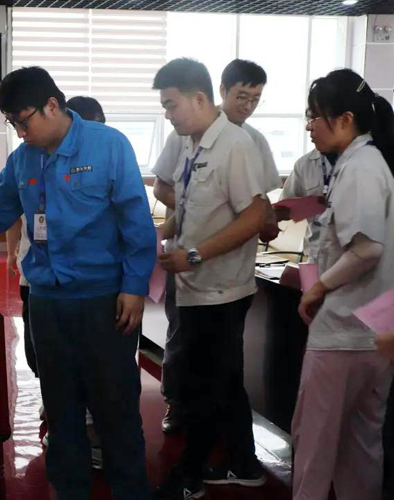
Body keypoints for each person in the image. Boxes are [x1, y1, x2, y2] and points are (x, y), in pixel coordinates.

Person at [0, 67, 157, 500]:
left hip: (104, 302)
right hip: (47, 303)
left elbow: (136, 221)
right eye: (12, 124)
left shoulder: (109, 146)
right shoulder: (23, 159)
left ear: (52, 105)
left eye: (23, 121)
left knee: (116, 411)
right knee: (61, 413)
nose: (20, 132)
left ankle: (131, 491)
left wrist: (135, 286)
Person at [150, 58, 268, 499]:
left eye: (171, 105)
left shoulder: (235, 144)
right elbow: (194, 204)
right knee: (222, 381)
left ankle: (188, 476)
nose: (168, 114)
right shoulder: (193, 143)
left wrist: (195, 255)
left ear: (199, 98)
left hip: (221, 289)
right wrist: (168, 232)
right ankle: (242, 463)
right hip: (195, 286)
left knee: (204, 386)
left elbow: (256, 214)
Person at [292, 68, 394, 500]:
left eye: (315, 117)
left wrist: (319, 287)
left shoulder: (361, 168)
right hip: (370, 330)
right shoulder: (362, 163)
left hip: (344, 332)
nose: (310, 126)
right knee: (359, 445)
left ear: (346, 119)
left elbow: (366, 249)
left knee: (314, 443)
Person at [5, 94, 108, 469]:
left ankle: (90, 431)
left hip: (86, 285)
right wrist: (10, 251)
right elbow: (8, 207)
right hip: (38, 280)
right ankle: (59, 406)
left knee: (88, 360)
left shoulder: (104, 161)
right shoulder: (28, 158)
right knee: (41, 354)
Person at [276, 148, 338, 262]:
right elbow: (284, 207)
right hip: (315, 254)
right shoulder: (304, 164)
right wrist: (266, 217)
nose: (312, 139)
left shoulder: (359, 160)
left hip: (350, 255)